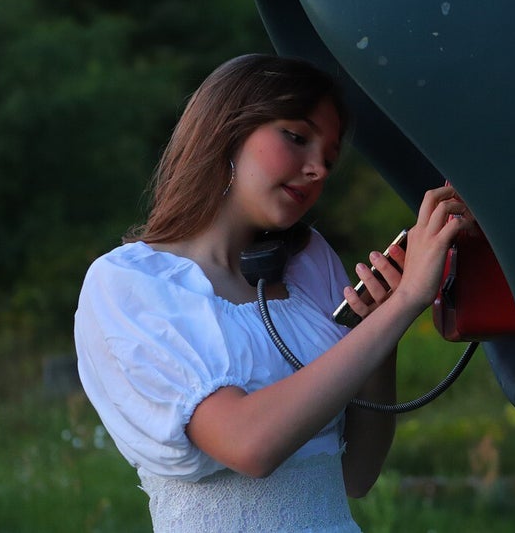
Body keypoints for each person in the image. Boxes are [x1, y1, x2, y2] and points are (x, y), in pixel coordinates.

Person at [74, 53, 471, 532]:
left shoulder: (308, 261)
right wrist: (408, 300)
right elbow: (249, 444)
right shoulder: (130, 284)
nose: (318, 170)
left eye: (328, 157)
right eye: (297, 138)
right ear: (227, 129)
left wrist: (380, 328)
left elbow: (358, 474)